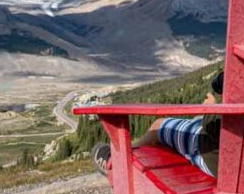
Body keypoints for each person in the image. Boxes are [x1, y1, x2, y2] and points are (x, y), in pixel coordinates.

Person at [93, 72, 223, 177]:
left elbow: (216, 127)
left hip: (211, 156)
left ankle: (120, 159)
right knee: (196, 120)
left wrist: (210, 109)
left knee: (158, 125)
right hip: (237, 168)